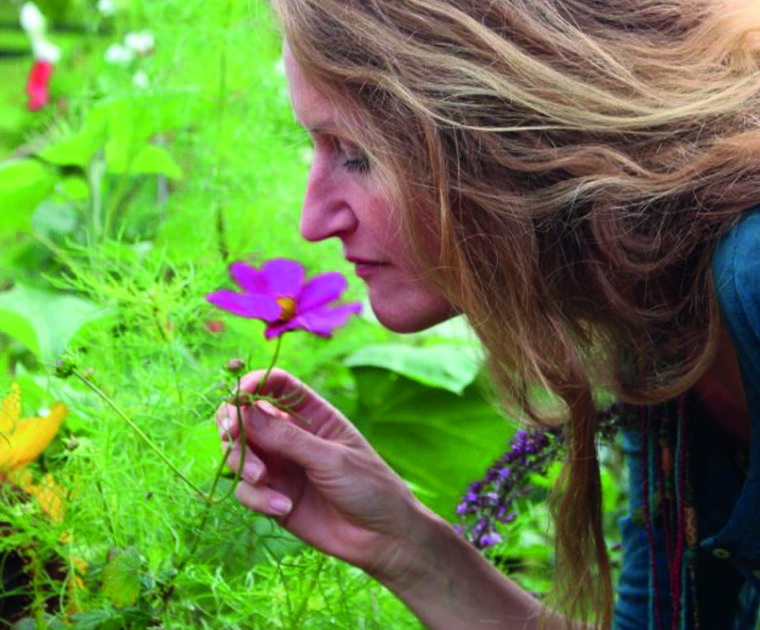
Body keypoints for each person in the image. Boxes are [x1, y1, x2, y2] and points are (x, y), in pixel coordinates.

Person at [215, 0, 760, 627]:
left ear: (497, 132)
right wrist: (403, 542)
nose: (314, 222)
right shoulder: (657, 320)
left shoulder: (747, 275)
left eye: (355, 154)